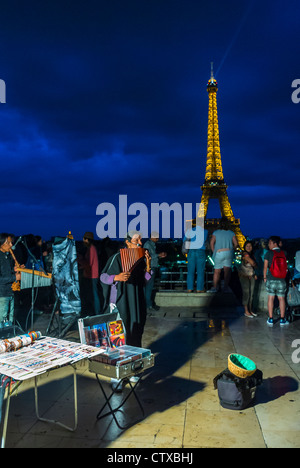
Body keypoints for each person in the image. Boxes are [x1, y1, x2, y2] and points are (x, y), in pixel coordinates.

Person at [100, 231, 151, 391]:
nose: (140, 243)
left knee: (135, 334)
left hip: (135, 302)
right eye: (137, 240)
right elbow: (102, 277)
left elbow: (145, 281)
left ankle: (132, 370)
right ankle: (116, 375)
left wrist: (148, 265)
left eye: (141, 240)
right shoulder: (116, 258)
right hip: (119, 302)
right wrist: (116, 277)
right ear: (128, 243)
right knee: (119, 339)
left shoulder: (140, 259)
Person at [263, 236, 288, 327]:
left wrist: (265, 277)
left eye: (270, 243)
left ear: (274, 243)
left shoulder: (269, 253)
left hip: (271, 278)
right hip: (281, 279)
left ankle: (270, 318)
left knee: (271, 298)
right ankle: (282, 319)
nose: (269, 245)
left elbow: (265, 267)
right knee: (282, 299)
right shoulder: (284, 252)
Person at [209, 218, 238, 293]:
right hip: (229, 252)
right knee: (227, 272)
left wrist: (214, 251)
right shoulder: (231, 233)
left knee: (217, 271)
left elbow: (211, 243)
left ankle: (215, 287)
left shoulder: (216, 232)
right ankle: (225, 287)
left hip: (219, 252)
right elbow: (236, 244)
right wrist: (232, 249)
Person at [0, 233, 21, 327]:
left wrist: (14, 270)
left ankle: (9, 338)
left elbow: (5, 272)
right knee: (2, 320)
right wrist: (14, 278)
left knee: (10, 320)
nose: (11, 245)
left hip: (10, 291)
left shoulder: (7, 256)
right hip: (2, 294)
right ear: (1, 244)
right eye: (8, 243)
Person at [78, 232, 101, 316]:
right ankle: (94, 311)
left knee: (94, 295)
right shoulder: (91, 248)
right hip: (90, 274)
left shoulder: (91, 249)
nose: (83, 240)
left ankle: (97, 312)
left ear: (87, 239)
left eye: (84, 239)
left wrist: (79, 259)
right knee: (92, 295)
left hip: (92, 276)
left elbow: (89, 263)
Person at [183, 219, 208, 293]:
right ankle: (199, 289)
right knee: (200, 272)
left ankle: (190, 288)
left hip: (191, 251)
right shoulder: (205, 231)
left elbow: (184, 240)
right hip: (201, 251)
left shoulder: (189, 231)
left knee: (190, 272)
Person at [144, 231, 167, 311]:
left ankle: (148, 304)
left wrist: (160, 256)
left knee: (149, 286)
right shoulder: (148, 244)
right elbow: (147, 256)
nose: (158, 239)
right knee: (149, 287)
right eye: (156, 237)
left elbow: (151, 257)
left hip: (152, 267)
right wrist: (158, 255)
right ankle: (148, 305)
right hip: (150, 268)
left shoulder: (152, 245)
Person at [238, 241, 257, 318]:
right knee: (246, 293)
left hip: (251, 275)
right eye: (247, 246)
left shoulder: (251, 255)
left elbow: (254, 265)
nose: (249, 247)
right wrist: (254, 264)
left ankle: (250, 310)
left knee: (251, 294)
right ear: (244, 247)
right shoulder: (245, 254)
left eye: (250, 246)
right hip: (244, 276)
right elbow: (253, 263)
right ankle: (246, 311)